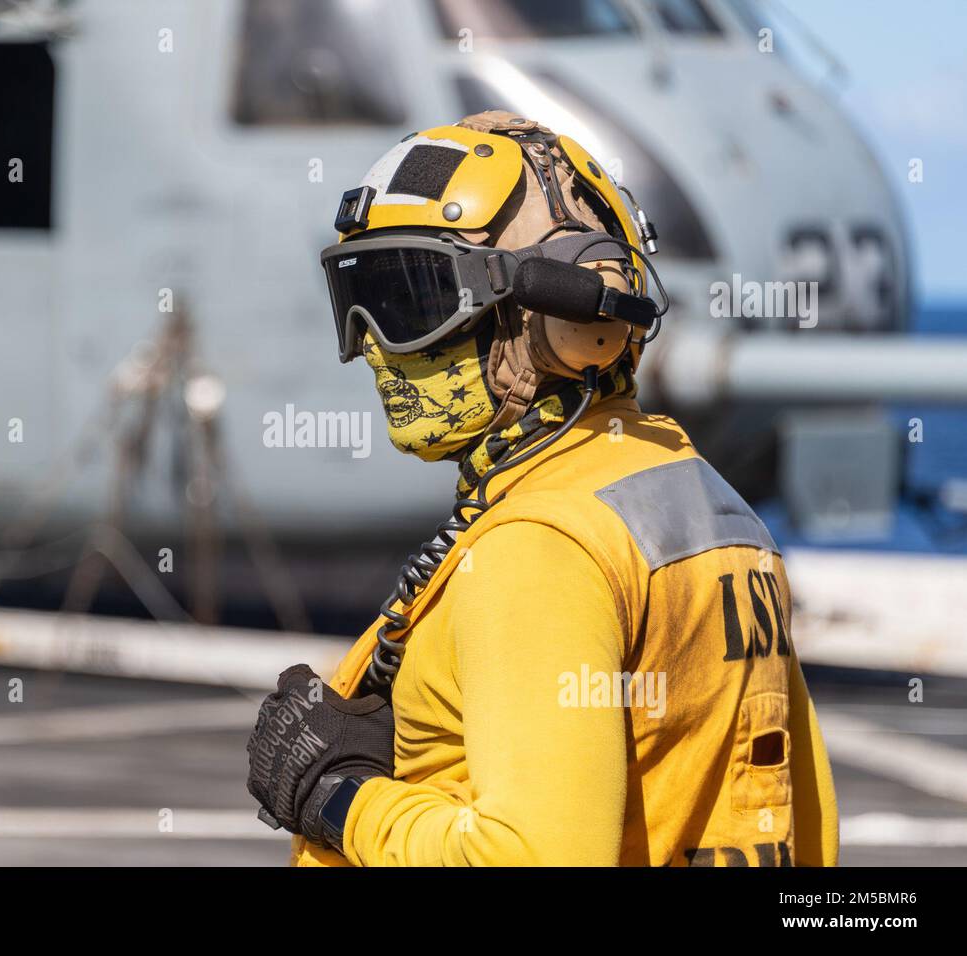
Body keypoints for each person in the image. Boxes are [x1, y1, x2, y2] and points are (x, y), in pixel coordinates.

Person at [245, 111, 838, 867]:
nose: (371, 347)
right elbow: (804, 826)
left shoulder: (538, 549)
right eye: (356, 300)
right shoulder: (711, 510)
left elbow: (533, 857)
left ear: (566, 316)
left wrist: (337, 797)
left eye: (409, 303)